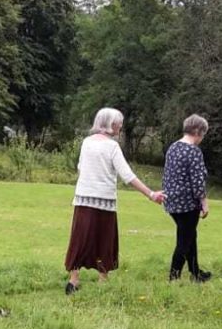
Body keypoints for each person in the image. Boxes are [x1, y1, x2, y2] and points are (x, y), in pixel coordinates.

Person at [64, 108, 165, 294]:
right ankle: (103, 281)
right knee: (105, 239)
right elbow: (127, 175)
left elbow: (80, 168)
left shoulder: (86, 142)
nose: (120, 126)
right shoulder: (112, 146)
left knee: (80, 238)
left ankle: (73, 280)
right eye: (119, 123)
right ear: (111, 124)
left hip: (83, 199)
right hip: (105, 201)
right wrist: (151, 194)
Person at [162, 114, 211, 282]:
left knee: (190, 236)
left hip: (171, 201)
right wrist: (204, 203)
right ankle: (173, 277)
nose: (202, 138)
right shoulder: (194, 151)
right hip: (188, 204)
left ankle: (196, 273)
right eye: (203, 134)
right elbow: (198, 182)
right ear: (197, 131)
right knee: (184, 241)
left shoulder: (173, 147)